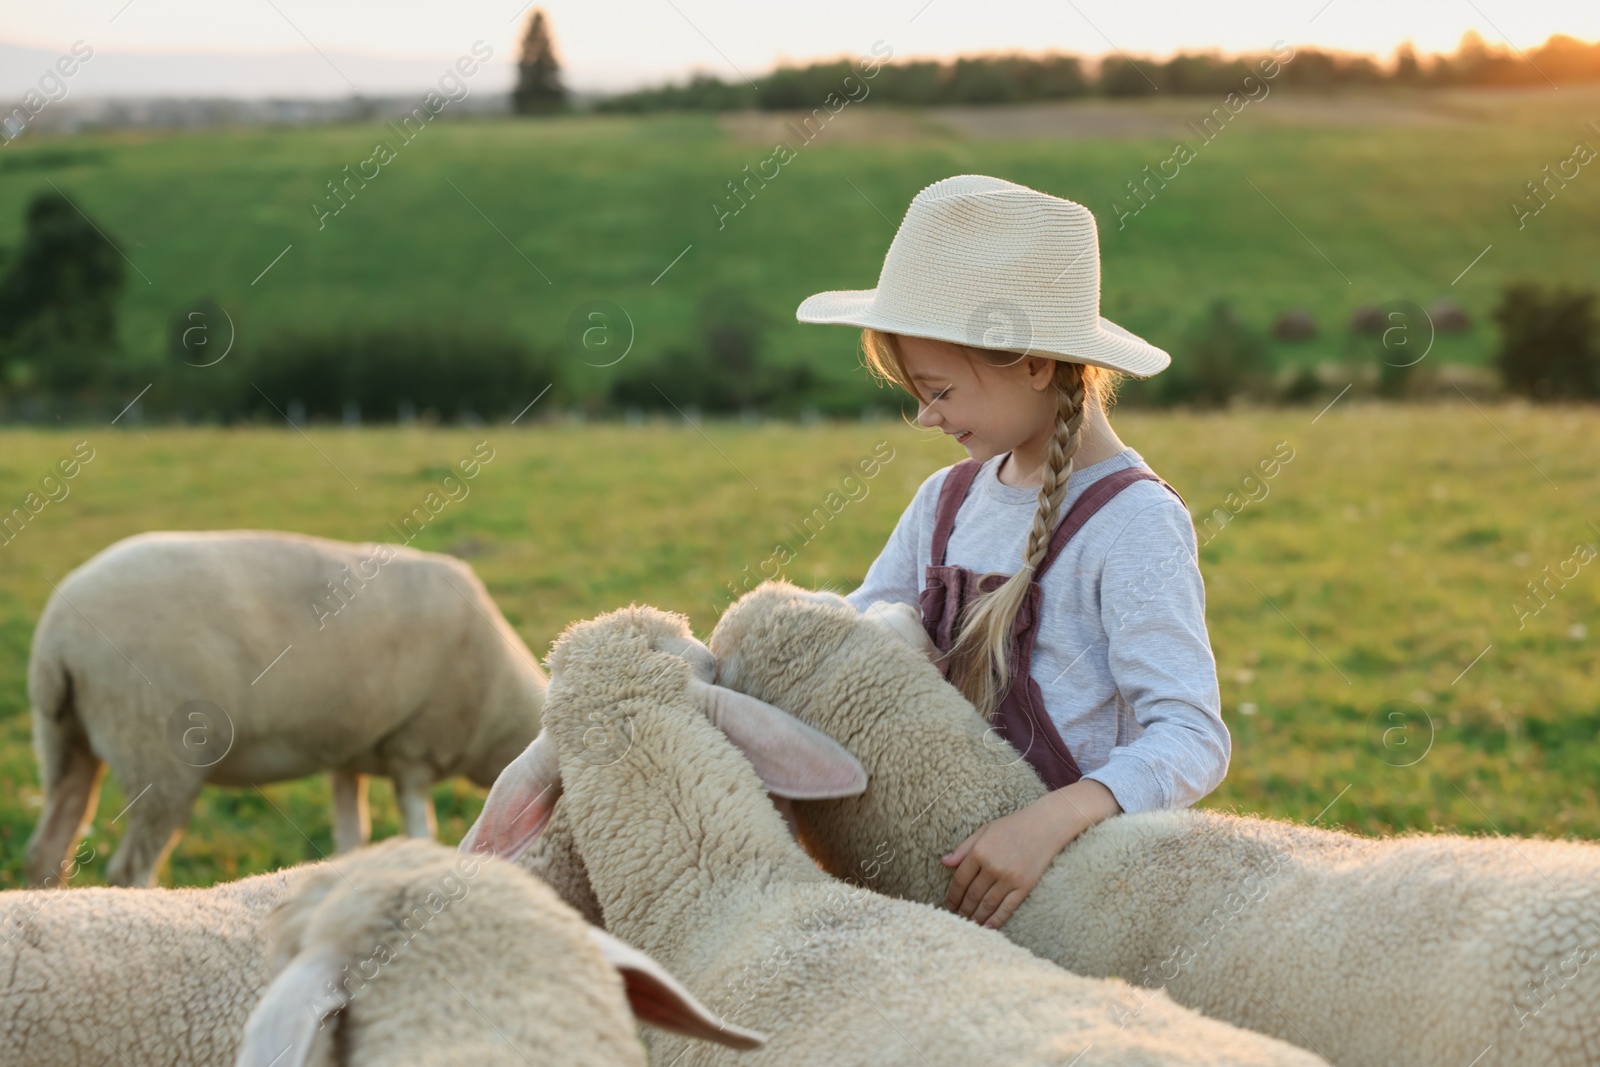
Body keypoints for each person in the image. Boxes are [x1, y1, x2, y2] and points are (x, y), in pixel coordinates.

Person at [794, 174, 1230, 931]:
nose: (926, 416)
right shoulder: (947, 499)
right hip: (945, 873)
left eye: (938, 390)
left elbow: (1191, 736)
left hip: (1082, 894)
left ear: (1034, 364)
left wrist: (1050, 822)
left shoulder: (1132, 523)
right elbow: (853, 631)